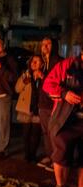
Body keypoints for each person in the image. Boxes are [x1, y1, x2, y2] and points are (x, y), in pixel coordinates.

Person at [43, 51, 83, 187]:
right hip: (66, 119)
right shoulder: (67, 66)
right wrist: (64, 93)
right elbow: (48, 84)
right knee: (61, 153)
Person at [37, 37, 63, 171]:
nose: (45, 46)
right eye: (43, 44)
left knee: (54, 132)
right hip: (43, 103)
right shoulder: (44, 62)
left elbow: (59, 81)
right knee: (46, 132)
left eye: (48, 44)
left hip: (53, 104)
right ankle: (50, 156)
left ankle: (57, 160)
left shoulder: (58, 62)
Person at [15, 55, 44, 163]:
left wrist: (42, 78)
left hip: (38, 108)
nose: (34, 63)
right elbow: (17, 89)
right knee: (26, 133)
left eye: (37, 61)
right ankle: (27, 155)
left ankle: (33, 155)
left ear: (42, 64)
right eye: (32, 61)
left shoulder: (45, 75)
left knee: (36, 134)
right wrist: (24, 81)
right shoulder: (26, 74)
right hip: (26, 107)